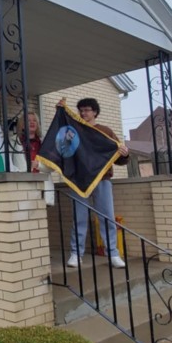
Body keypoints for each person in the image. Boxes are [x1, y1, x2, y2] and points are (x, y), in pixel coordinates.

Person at [61, 97, 128, 268]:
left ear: (95, 112)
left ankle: (112, 253)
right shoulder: (74, 130)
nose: (84, 113)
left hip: (102, 179)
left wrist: (124, 153)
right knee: (79, 217)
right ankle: (76, 254)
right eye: (81, 110)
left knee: (107, 216)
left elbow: (118, 158)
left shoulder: (105, 131)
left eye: (87, 110)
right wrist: (62, 112)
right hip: (80, 180)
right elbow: (65, 148)